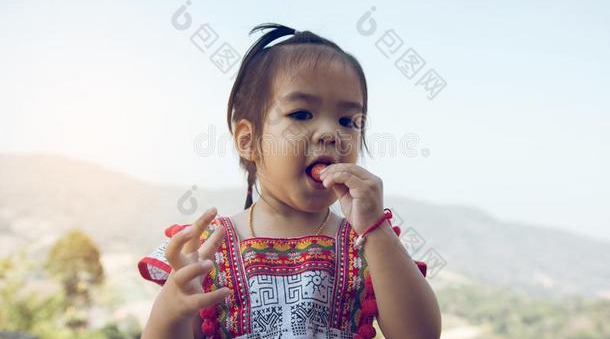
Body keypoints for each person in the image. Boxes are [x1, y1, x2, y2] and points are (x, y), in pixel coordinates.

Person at [138, 23, 442, 339]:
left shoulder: (368, 245)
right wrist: (173, 307)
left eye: (347, 121)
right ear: (248, 141)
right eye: (301, 114)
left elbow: (420, 334)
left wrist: (375, 228)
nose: (330, 133)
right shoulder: (206, 251)